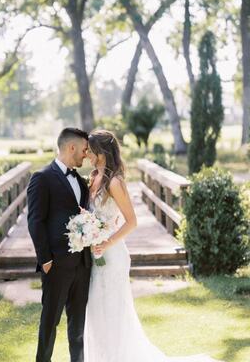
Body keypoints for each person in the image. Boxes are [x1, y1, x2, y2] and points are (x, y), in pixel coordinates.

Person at [84, 129, 223, 362]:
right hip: (96, 255)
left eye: (90, 150)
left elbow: (131, 222)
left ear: (101, 152)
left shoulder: (115, 181)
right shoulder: (93, 177)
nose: (87, 154)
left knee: (113, 311)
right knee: (96, 311)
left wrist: (106, 242)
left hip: (112, 255)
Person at [27, 127, 91, 362]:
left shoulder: (82, 182)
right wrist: (45, 260)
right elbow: (35, 221)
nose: (86, 154)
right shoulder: (42, 178)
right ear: (71, 147)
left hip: (82, 266)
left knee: (78, 328)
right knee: (50, 323)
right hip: (55, 265)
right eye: (84, 149)